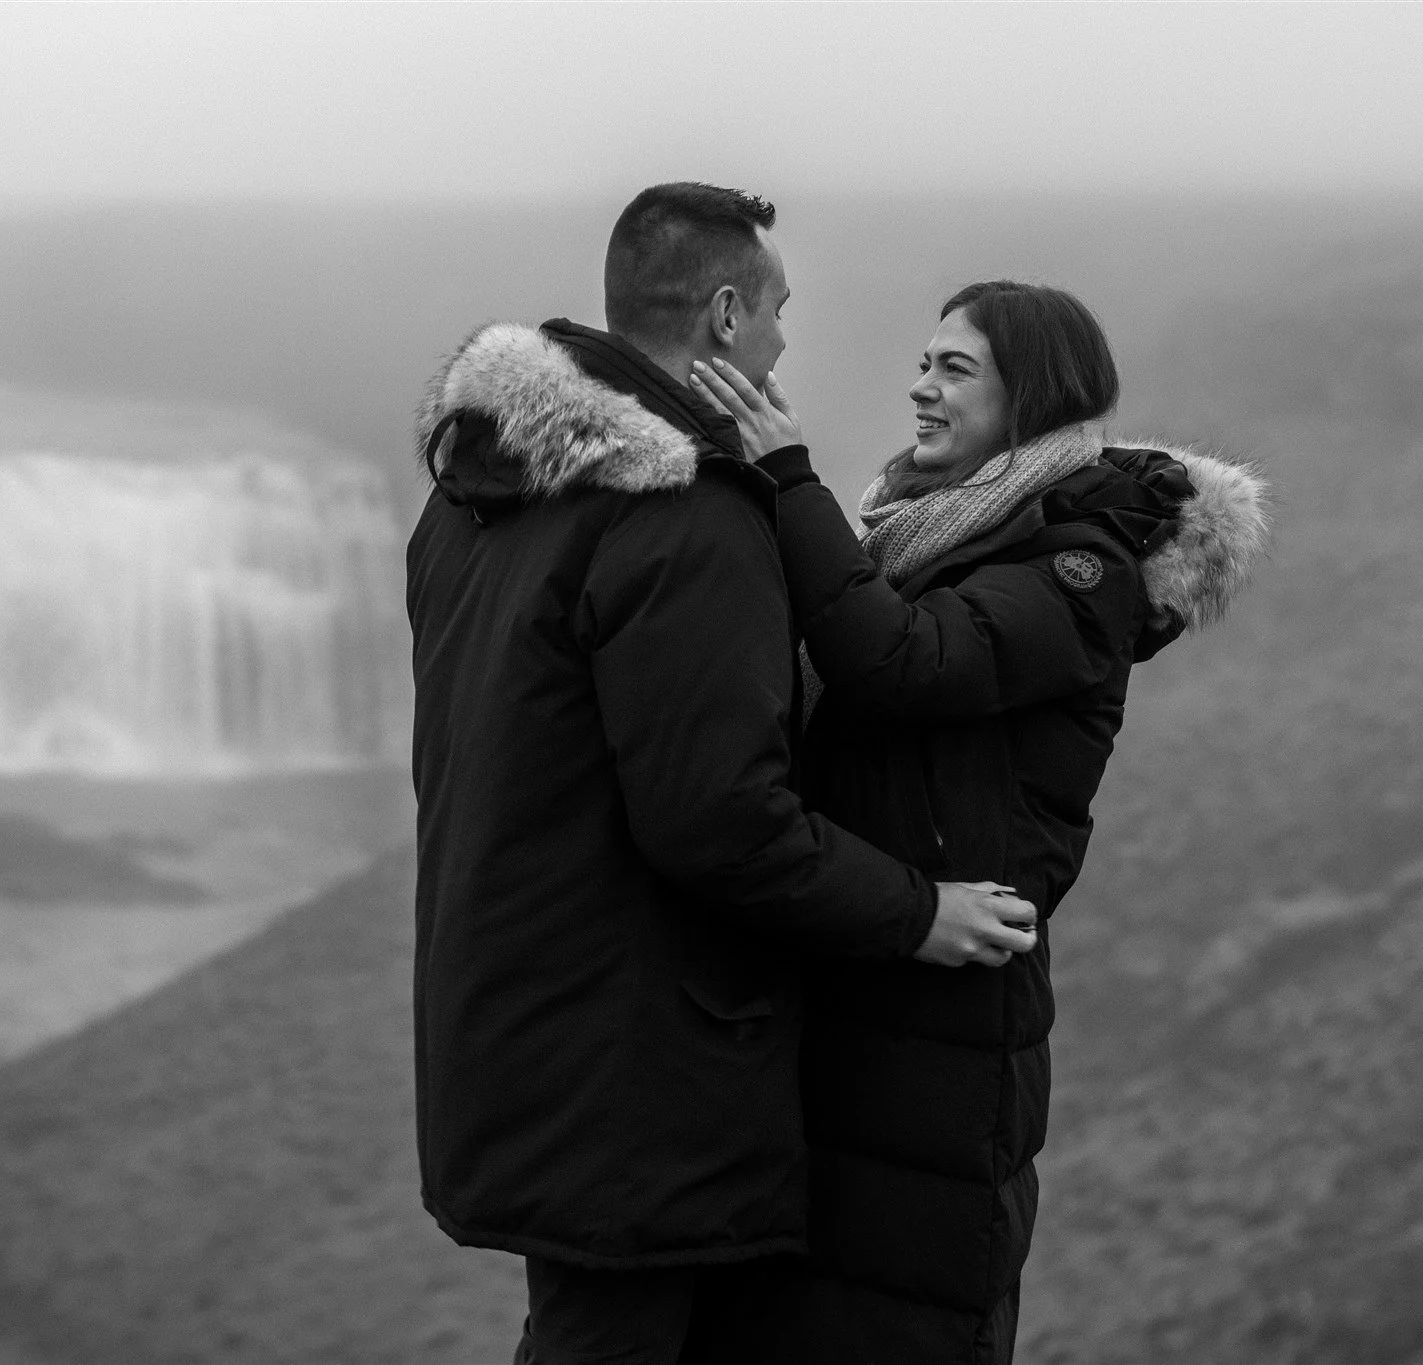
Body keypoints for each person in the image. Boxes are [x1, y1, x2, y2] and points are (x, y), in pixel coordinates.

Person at [407, 186, 1041, 1363]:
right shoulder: (683, 516)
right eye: (778, 312)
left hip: (511, 1018)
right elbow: (716, 816)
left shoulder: (478, 490)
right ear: (725, 314)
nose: (787, 340)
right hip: (638, 1062)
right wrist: (916, 913)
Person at [690, 280, 1269, 1363]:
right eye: (921, 362)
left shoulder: (1078, 565)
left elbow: (899, 663)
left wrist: (786, 480)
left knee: (898, 1316)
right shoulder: (935, 533)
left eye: (953, 370)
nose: (918, 386)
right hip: (862, 977)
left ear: (1031, 398)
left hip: (945, 1036)